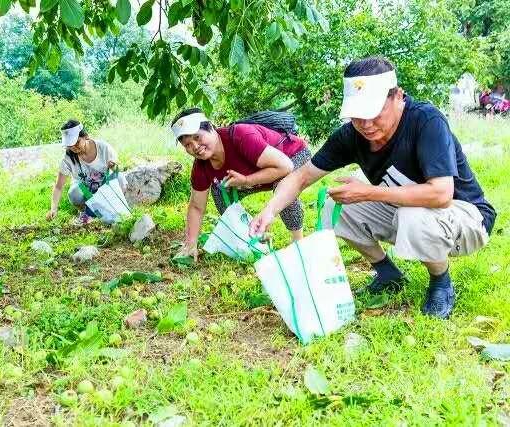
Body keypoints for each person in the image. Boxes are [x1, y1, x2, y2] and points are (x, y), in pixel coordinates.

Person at [250, 56, 496, 319]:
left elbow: (441, 193)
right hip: (408, 211)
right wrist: (270, 210)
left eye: (374, 112)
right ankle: (388, 274)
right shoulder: (352, 136)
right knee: (337, 206)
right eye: (357, 115)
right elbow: (300, 177)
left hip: (467, 217)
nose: (366, 124)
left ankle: (441, 283)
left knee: (412, 214)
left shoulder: (425, 121)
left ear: (398, 96)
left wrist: (368, 192)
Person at [171, 108, 312, 261]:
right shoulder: (201, 167)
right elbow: (196, 207)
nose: (195, 146)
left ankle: (298, 242)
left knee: (284, 187)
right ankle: (252, 236)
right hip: (258, 173)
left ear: (211, 127)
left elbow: (285, 167)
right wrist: (191, 244)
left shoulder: (241, 135)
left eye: (197, 137)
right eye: (188, 145)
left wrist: (246, 181)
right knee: (219, 189)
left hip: (291, 156)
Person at [46, 119, 120, 226]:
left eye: (76, 142)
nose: (74, 147)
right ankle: (86, 212)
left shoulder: (103, 148)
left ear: (86, 136)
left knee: (120, 179)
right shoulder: (68, 159)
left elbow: (116, 172)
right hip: (85, 191)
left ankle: (105, 209)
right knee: (74, 193)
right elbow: (58, 187)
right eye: (70, 145)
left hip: (104, 187)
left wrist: (114, 167)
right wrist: (53, 209)